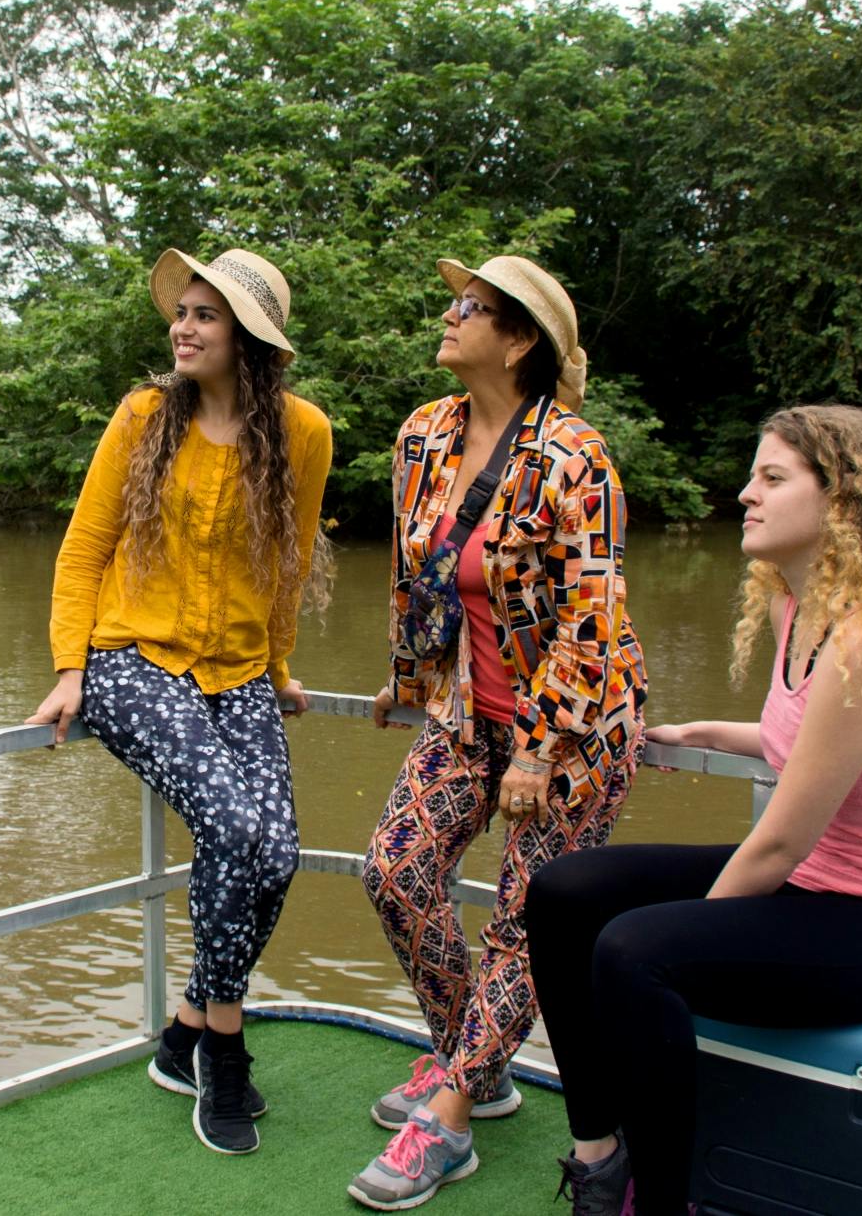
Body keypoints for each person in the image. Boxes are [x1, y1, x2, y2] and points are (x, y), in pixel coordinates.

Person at [529, 404, 862, 1216]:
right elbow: (816, 739)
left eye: (773, 478)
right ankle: (601, 1153)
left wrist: (688, 935)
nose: (746, 493)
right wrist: (707, 731)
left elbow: (781, 839)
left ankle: (663, 1204)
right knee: (565, 891)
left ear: (845, 502)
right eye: (754, 474)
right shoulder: (805, 607)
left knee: (634, 951)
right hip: (814, 886)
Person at [349, 256, 647, 1211]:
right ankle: (472, 1066)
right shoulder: (423, 436)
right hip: (466, 710)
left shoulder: (576, 457)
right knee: (394, 869)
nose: (449, 313)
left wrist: (541, 745)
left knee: (529, 914)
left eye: (469, 307)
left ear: (518, 340)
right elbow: (417, 571)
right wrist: (408, 672)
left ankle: (445, 1117)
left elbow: (591, 618)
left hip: (574, 726)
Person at [27, 247, 332, 1157]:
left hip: (237, 672)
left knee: (277, 849)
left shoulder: (304, 433)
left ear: (251, 339)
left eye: (208, 315)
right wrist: (69, 667)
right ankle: (224, 1050)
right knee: (236, 829)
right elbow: (84, 549)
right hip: (129, 661)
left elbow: (287, 562)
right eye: (184, 311)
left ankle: (184, 1029)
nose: (184, 326)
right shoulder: (144, 416)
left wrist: (277, 667)